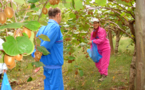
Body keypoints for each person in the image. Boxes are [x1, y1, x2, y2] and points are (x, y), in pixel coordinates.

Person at [32, 7, 64, 90]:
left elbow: (36, 45)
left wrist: (36, 59)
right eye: (61, 16)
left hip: (46, 65)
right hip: (54, 66)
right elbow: (45, 46)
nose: (61, 18)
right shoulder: (55, 27)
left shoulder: (42, 27)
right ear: (58, 15)